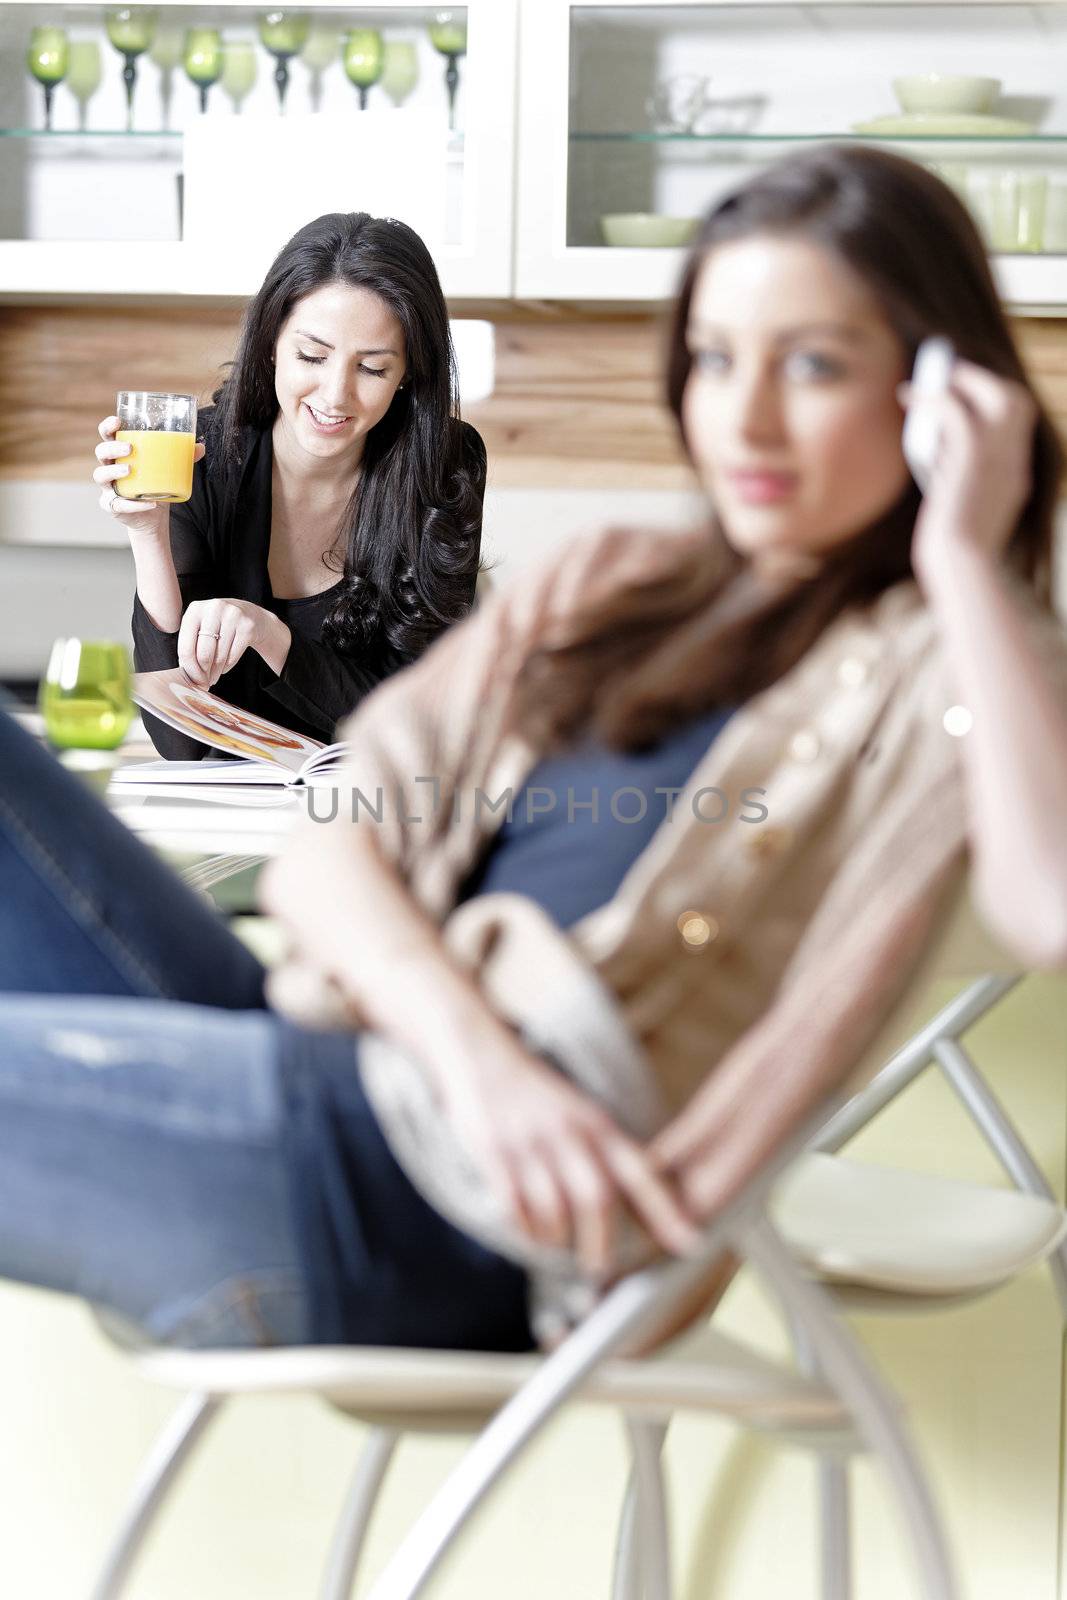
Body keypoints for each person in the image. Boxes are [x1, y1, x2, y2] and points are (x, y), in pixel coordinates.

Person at [3, 146, 1066, 1357]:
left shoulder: (947, 661)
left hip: (448, 1216)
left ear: (940, 392)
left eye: (812, 363)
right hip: (343, 1076)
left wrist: (966, 560)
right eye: (716, 359)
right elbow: (322, 853)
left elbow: (1048, 906)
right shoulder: (613, 585)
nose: (747, 415)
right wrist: (475, 1059)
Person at [92, 211, 486, 759]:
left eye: (372, 369)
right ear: (271, 343)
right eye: (312, 356)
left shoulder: (442, 462)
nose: (335, 395)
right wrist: (147, 535)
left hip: (367, 809)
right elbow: (178, 742)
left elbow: (420, 724)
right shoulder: (202, 453)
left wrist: (271, 636)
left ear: (408, 376)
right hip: (224, 819)